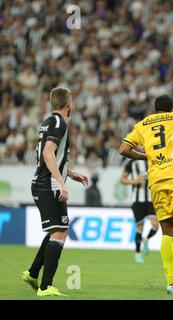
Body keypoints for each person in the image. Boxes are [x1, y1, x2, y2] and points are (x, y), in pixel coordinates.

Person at [119, 94, 173, 294]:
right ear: (171, 108)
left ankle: (171, 282)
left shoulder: (143, 124)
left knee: (167, 231)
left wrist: (145, 157)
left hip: (156, 181)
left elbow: (123, 148)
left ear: (155, 108)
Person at [21, 87, 89, 297]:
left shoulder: (48, 122)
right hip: (48, 184)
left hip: (44, 182)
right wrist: (61, 182)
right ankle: (45, 287)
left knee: (56, 230)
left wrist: (70, 172)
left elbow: (47, 155)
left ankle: (33, 273)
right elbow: (48, 153)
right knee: (60, 231)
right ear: (68, 103)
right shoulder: (59, 123)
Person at [120, 159, 159, 263]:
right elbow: (122, 179)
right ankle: (137, 253)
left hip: (151, 200)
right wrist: (134, 181)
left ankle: (146, 239)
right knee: (140, 227)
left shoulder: (153, 159)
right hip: (137, 200)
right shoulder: (131, 163)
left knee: (155, 225)